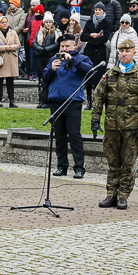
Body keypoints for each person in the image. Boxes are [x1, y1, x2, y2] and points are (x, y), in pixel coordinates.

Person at [91, 38, 138, 211]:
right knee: (113, 161)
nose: (124, 54)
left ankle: (123, 195)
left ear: (134, 53)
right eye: (121, 51)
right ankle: (111, 194)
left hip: (131, 127)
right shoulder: (110, 74)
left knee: (127, 163)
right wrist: (95, 119)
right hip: (111, 125)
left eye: (127, 51)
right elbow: (98, 97)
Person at [44, 34, 94, 179]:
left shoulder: (82, 58)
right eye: (62, 46)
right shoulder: (54, 59)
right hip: (55, 101)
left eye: (67, 46)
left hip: (73, 102)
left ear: (74, 46)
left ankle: (79, 167)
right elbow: (45, 78)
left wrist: (73, 60)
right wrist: (51, 69)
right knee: (59, 135)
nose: (64, 49)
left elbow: (89, 71)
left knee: (74, 135)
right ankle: (62, 166)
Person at [82, 3, 110, 107]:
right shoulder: (89, 22)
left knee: (98, 78)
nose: (97, 12)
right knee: (89, 76)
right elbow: (83, 37)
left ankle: (97, 101)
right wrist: (91, 35)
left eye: (99, 10)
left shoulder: (107, 22)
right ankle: (89, 101)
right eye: (96, 10)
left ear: (103, 11)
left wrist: (95, 39)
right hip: (89, 51)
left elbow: (106, 37)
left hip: (100, 52)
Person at [0, 15, 21, 109]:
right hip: (0, 58)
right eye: (3, 22)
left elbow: (18, 44)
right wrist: (4, 48)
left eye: (6, 22)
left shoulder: (13, 33)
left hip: (11, 58)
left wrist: (10, 48)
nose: (5, 24)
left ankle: (11, 101)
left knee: (10, 81)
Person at [32, 13, 61, 108]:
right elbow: (34, 42)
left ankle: (48, 100)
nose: (48, 24)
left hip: (50, 56)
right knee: (41, 80)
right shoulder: (39, 32)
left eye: (50, 22)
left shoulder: (56, 32)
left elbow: (57, 44)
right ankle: (41, 100)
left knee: (49, 79)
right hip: (40, 57)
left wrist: (47, 49)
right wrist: (40, 49)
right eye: (46, 22)